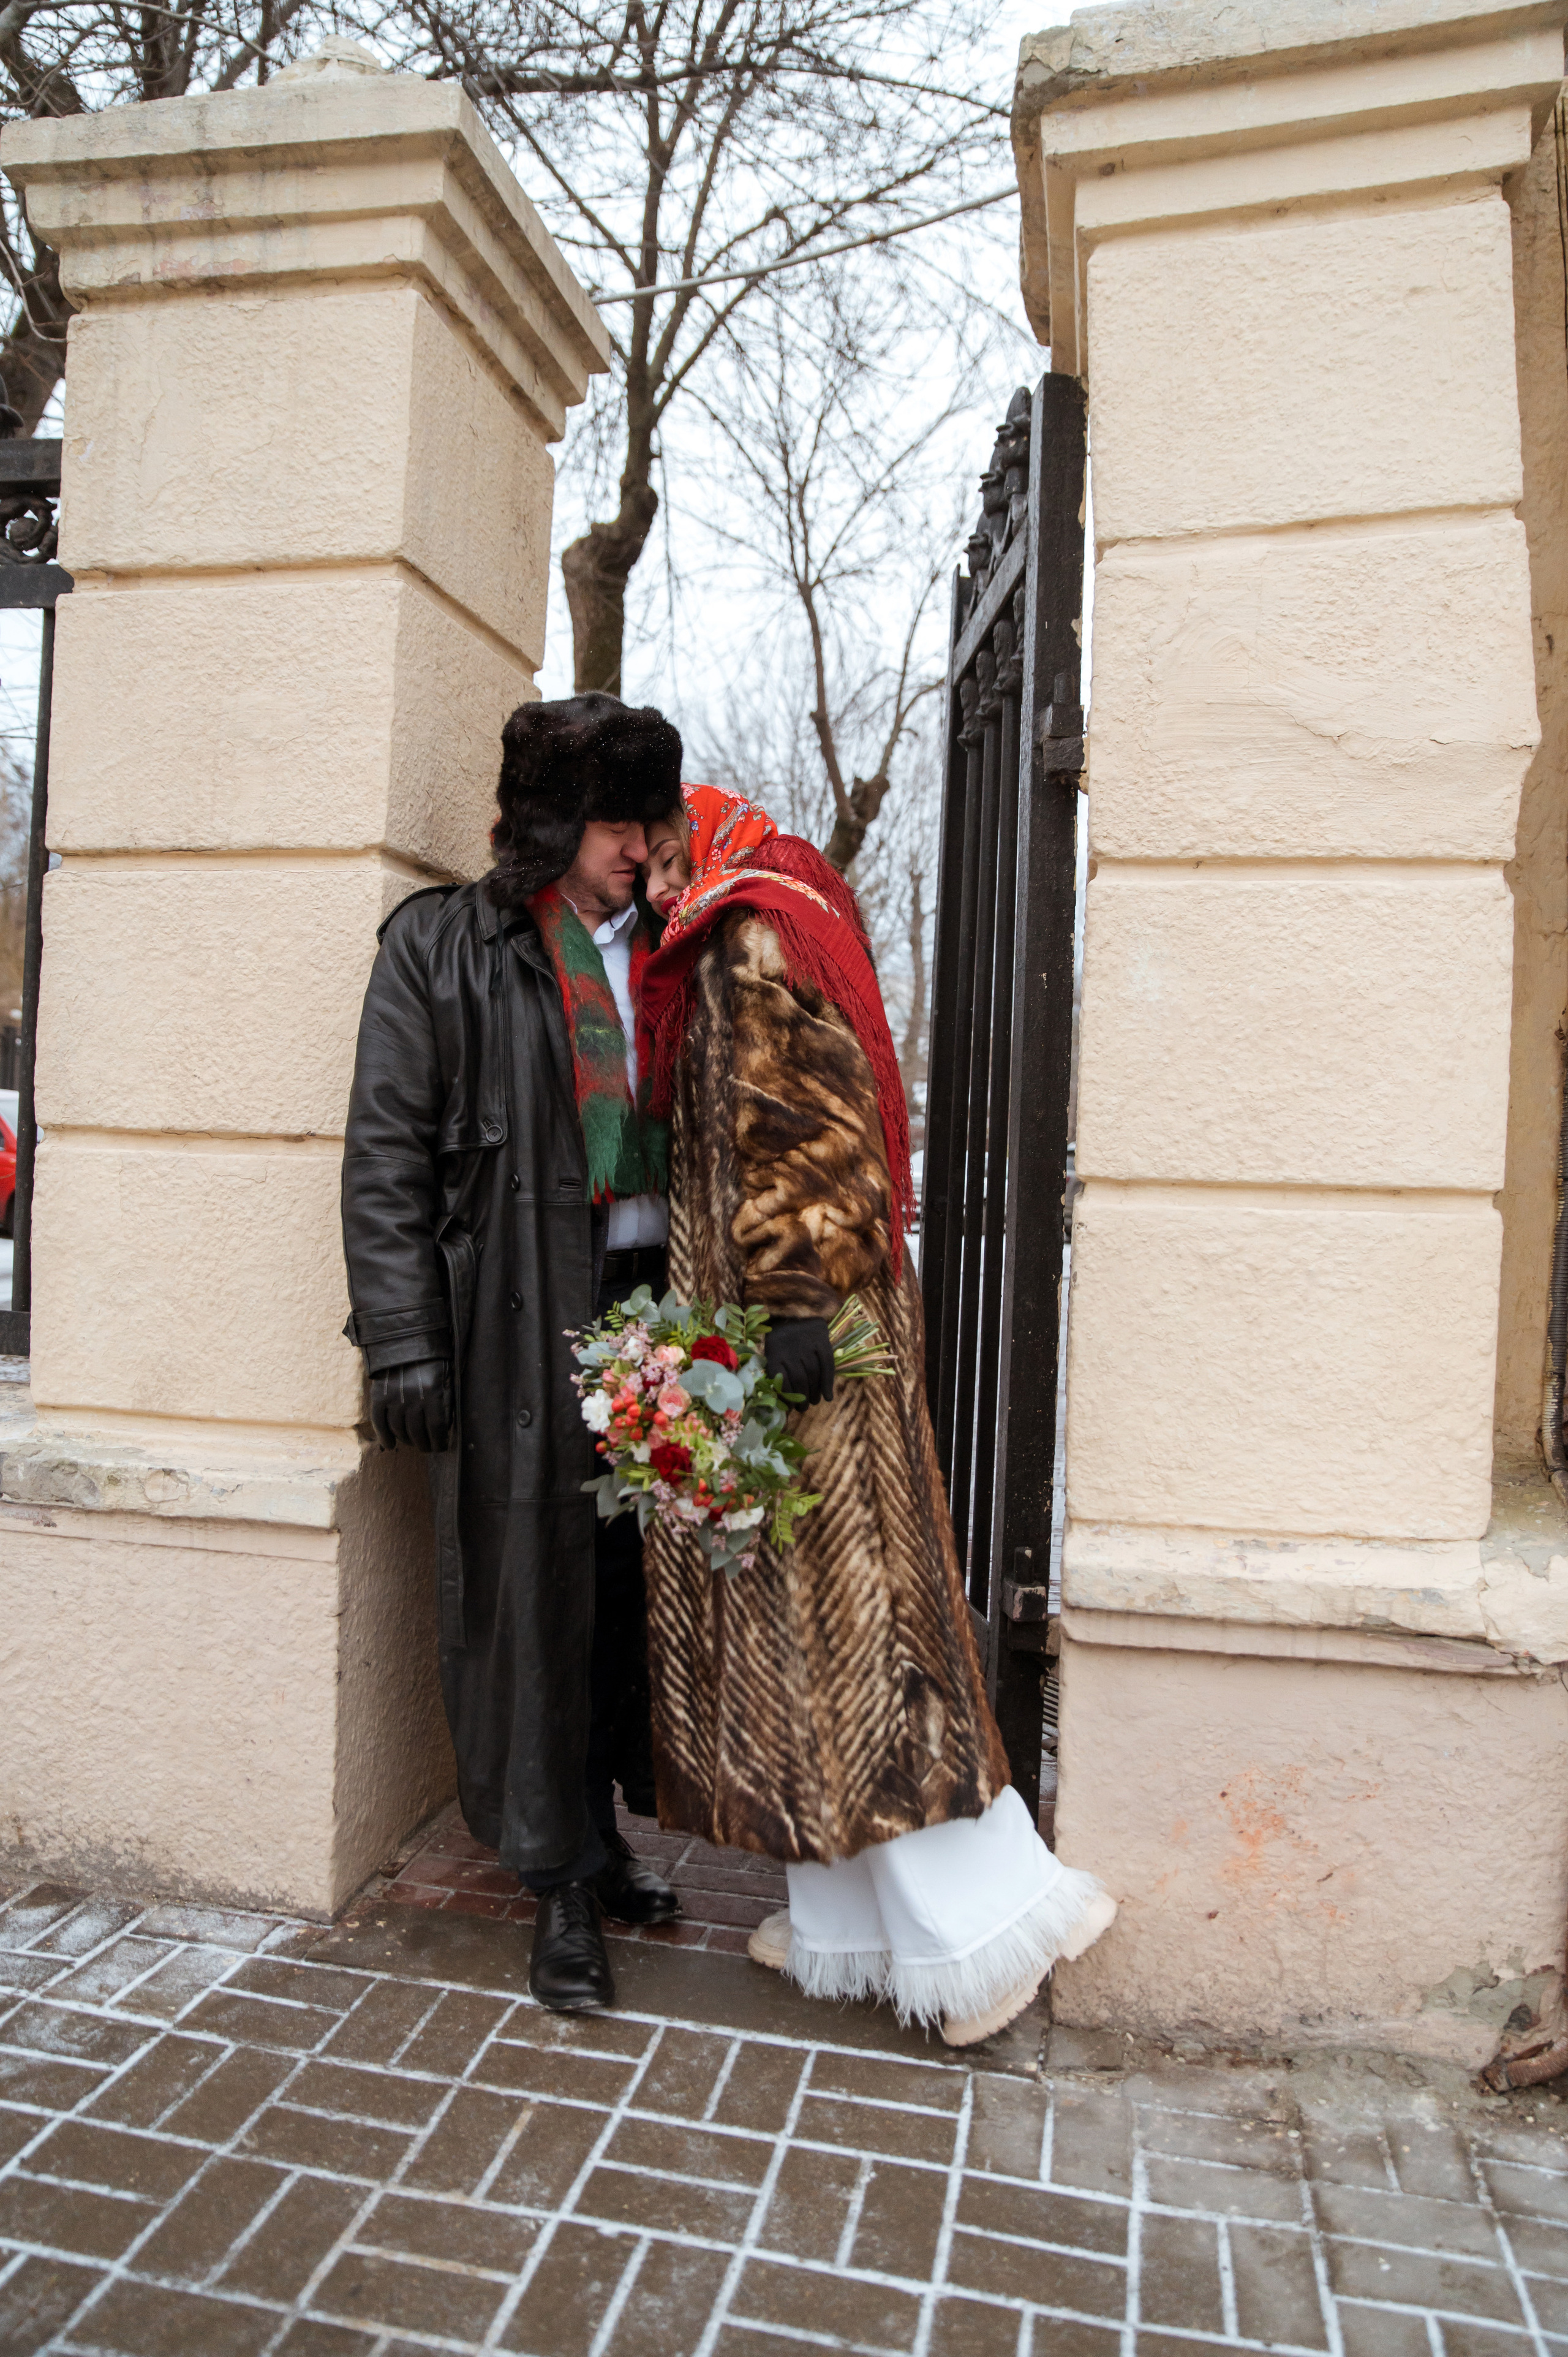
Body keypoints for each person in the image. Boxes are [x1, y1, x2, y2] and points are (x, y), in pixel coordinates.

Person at [637, 785, 1115, 2044]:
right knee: (797, 1629)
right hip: (774, 1331)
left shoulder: (746, 933)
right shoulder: (762, 916)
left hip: (806, 1336)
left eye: (653, 857)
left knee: (862, 1624)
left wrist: (794, 1303)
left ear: (695, 840)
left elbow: (809, 1118)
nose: (641, 883)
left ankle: (991, 1930)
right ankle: (845, 1922)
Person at [341, 692, 690, 2015]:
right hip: (510, 1324)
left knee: (619, 1591)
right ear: (552, 822)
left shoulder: (674, 949)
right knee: (530, 1599)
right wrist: (401, 1343)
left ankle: (600, 1837)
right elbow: (385, 1158)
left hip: (652, 1314)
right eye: (614, 818)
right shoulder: (446, 948)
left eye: (646, 817)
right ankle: (553, 1882)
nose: (637, 844)